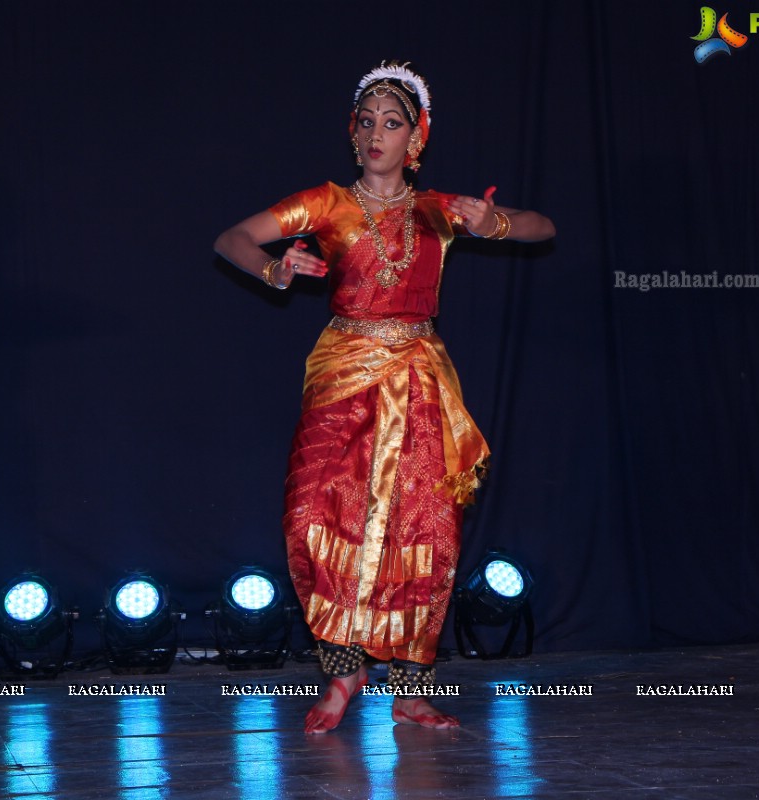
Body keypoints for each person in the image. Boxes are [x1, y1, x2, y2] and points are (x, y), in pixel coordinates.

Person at [214, 61, 555, 734]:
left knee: (424, 531)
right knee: (309, 516)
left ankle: (411, 687)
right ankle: (342, 673)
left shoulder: (440, 211)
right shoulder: (327, 203)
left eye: (392, 123)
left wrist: (495, 227)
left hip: (419, 375)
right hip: (342, 370)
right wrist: (275, 269)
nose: (377, 133)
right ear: (352, 132)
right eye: (366, 121)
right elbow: (232, 240)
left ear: (416, 138)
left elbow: (542, 225)